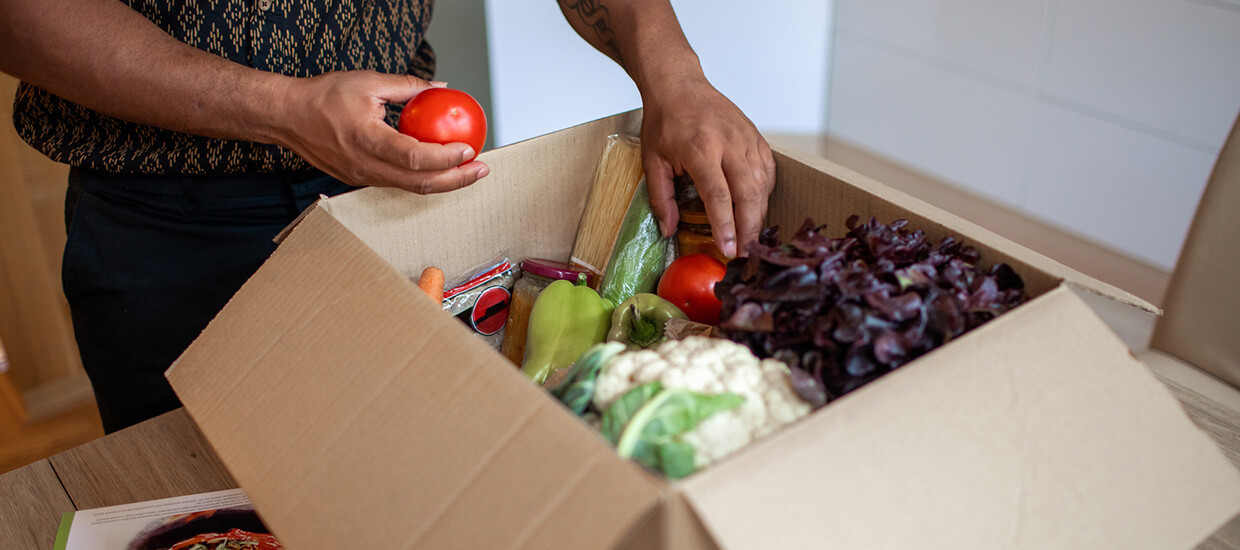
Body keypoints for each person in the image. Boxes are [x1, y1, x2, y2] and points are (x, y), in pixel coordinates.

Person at [0, 0, 776, 433]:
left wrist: (676, 77)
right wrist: (283, 109)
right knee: (202, 499)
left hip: (403, 197)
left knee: (423, 471)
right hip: (167, 224)